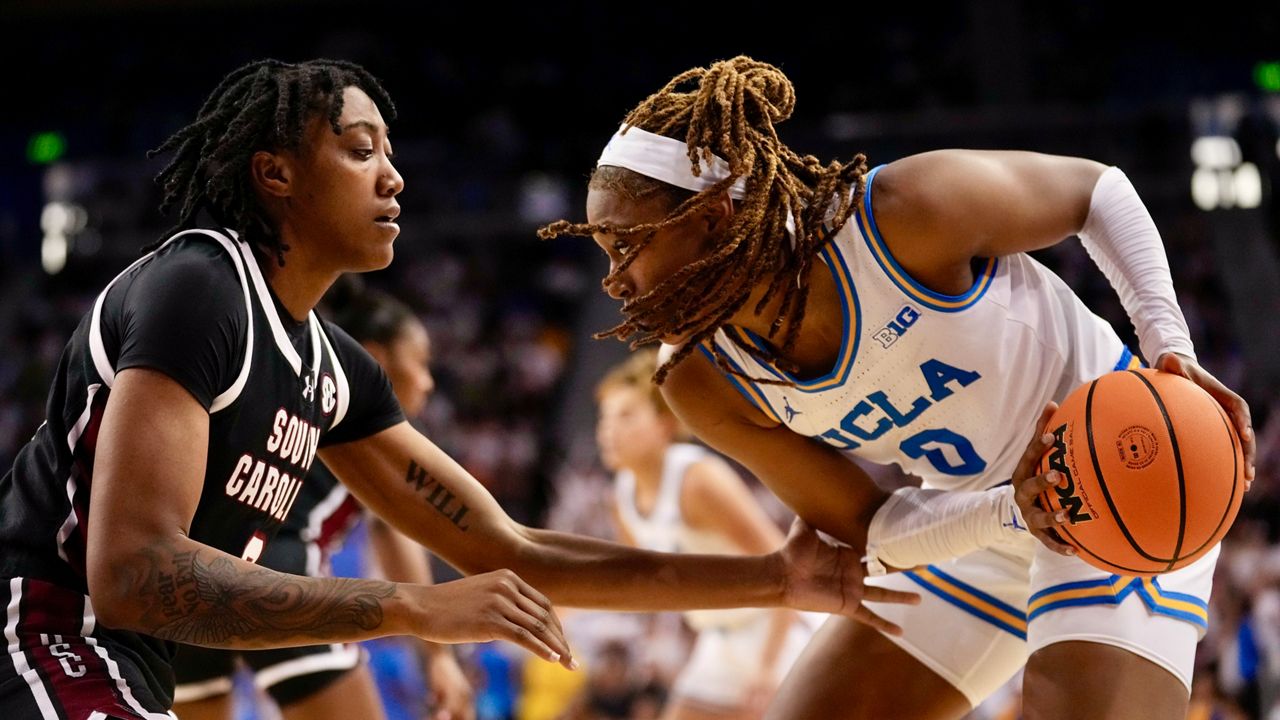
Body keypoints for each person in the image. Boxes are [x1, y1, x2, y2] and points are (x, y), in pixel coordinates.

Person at [0, 58, 914, 720]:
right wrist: (410, 609)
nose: (395, 175)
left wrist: (777, 580)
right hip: (40, 640)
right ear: (274, 173)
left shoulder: (333, 370)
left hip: (125, 669)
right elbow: (129, 578)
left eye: (391, 151)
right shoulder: (202, 286)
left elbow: (514, 551)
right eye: (360, 151)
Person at [539, 55, 1258, 720]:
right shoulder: (698, 379)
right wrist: (1008, 514)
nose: (615, 282)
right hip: (974, 520)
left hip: (1120, 480)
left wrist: (1171, 350)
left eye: (626, 245)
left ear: (715, 215)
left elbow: (1098, 192)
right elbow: (870, 525)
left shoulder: (900, 214)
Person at [170, 285, 474, 720]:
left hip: (191, 580)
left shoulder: (285, 387)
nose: (427, 382)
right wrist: (438, 656)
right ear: (375, 357)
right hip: (281, 572)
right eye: (422, 363)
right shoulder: (371, 429)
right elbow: (393, 532)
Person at [595, 349, 816, 720]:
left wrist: (766, 667)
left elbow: (789, 568)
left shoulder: (698, 480)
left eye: (626, 416)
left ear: (665, 424)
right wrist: (559, 607)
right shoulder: (620, 494)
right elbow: (636, 581)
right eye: (605, 418)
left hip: (779, 630)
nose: (608, 430)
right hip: (719, 639)